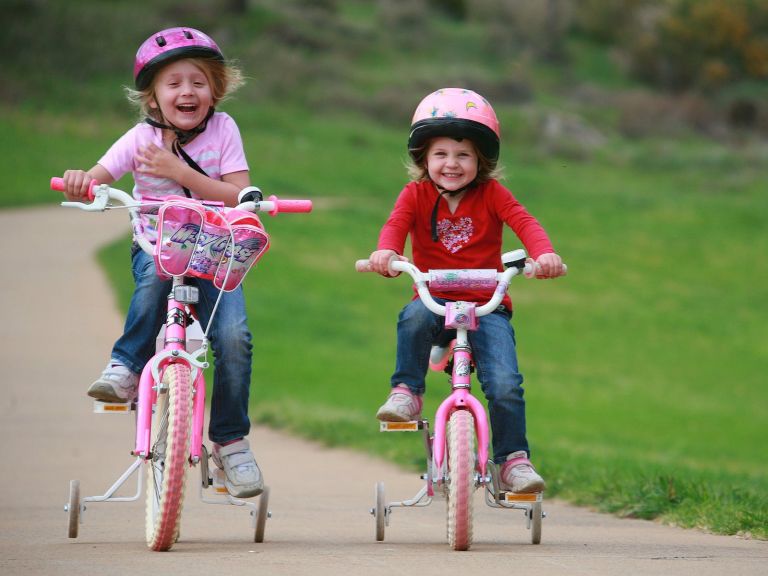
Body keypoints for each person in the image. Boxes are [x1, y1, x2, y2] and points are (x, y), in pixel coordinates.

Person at [59, 27, 263, 498]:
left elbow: (239, 194)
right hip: (159, 247)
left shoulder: (225, 130)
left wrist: (180, 173)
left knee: (234, 337)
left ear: (216, 89)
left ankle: (230, 441)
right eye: (173, 83)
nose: (186, 91)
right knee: (151, 285)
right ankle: (126, 368)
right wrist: (80, 181)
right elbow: (98, 178)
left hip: (216, 252)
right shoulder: (139, 139)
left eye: (198, 82)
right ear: (152, 96)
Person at [367, 88, 565, 494]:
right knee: (413, 319)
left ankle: (512, 461)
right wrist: (386, 252)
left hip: (487, 306)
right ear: (424, 158)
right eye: (441, 154)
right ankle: (407, 390)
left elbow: (525, 223)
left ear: (482, 161)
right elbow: (395, 225)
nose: (451, 164)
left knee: (506, 383)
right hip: (433, 301)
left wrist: (544, 255)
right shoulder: (416, 195)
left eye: (463, 155)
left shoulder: (493, 195)